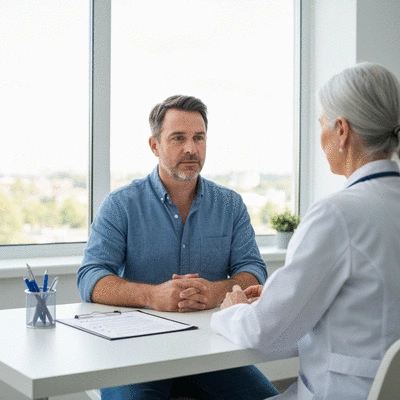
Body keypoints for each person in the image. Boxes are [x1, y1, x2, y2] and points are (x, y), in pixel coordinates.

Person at [210, 62, 400, 399]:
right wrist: (282, 298)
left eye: (322, 124)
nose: (321, 135)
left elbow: (262, 333)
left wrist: (233, 311)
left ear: (342, 131)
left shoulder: (338, 214)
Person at [77, 95, 279, 399]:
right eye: (178, 138)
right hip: (135, 355)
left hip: (213, 353)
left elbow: (252, 271)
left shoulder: (230, 205)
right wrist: (152, 295)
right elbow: (90, 278)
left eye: (199, 138)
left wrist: (215, 291)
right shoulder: (121, 205)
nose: (191, 148)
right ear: (154, 145)